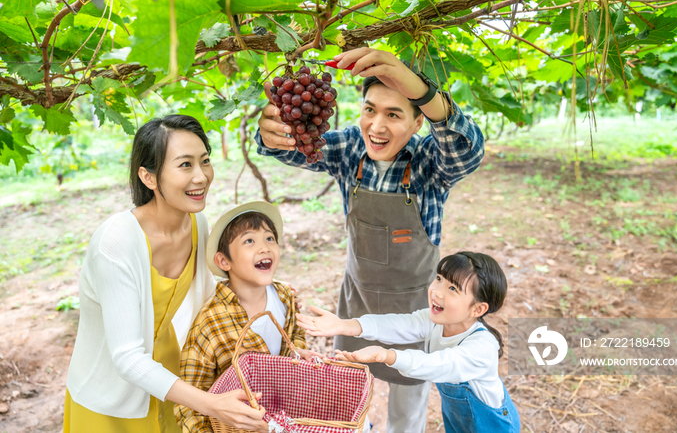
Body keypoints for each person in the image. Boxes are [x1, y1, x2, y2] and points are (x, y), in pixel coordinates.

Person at [255, 48, 485, 432]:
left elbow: (468, 150)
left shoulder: (430, 162)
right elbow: (289, 146)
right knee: (349, 391)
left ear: (417, 124)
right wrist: (274, 132)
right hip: (358, 300)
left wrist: (425, 94)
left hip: (416, 308)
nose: (376, 126)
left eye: (393, 114)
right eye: (369, 109)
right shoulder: (349, 150)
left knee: (407, 405)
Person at [63, 115, 269, 433]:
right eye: (185, 165)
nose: (201, 176)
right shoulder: (116, 242)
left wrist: (276, 301)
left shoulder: (196, 224)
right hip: (111, 397)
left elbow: (213, 294)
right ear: (148, 176)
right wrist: (210, 403)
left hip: (174, 382)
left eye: (205, 161)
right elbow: (128, 357)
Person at [297, 251, 520, 433]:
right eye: (439, 279)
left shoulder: (481, 347)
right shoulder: (436, 320)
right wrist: (346, 326)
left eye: (452, 288)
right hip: (457, 418)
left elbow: (436, 365)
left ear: (478, 309)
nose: (437, 292)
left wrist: (386, 355)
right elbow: (398, 325)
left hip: (492, 426)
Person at [175, 201, 319, 432]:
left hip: (281, 418)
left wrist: (297, 352)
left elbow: (295, 334)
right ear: (224, 261)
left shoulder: (284, 297)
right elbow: (191, 396)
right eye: (249, 241)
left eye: (269, 238)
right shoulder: (211, 322)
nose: (264, 248)